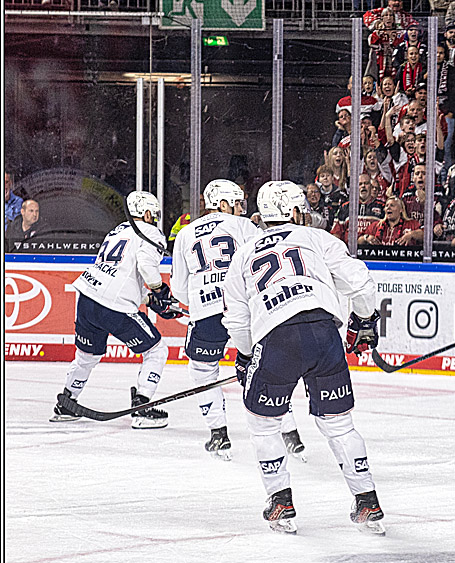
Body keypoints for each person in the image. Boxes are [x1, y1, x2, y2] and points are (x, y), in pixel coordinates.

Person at [222, 181, 385, 535]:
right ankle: (367, 501)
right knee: (340, 424)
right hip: (324, 332)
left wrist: (246, 356)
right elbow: (360, 284)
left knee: (264, 423)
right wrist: (365, 320)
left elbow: (236, 319)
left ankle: (281, 502)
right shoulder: (316, 238)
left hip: (276, 337)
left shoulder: (244, 254)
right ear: (295, 212)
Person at [171, 180, 307, 460]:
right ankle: (289, 433)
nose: (240, 209)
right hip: (242, 307)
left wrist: (202, 296)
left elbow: (179, 290)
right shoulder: (245, 227)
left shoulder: (185, 234)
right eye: (237, 203)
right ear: (222, 204)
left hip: (205, 313)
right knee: (264, 367)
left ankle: (218, 434)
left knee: (203, 369)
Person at [51, 191, 182, 428]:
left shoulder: (118, 230)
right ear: (148, 213)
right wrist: (161, 292)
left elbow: (122, 272)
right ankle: (142, 407)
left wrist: (150, 300)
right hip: (114, 306)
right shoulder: (150, 232)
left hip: (88, 298)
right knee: (156, 350)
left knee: (87, 356)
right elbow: (145, 265)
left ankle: (66, 403)